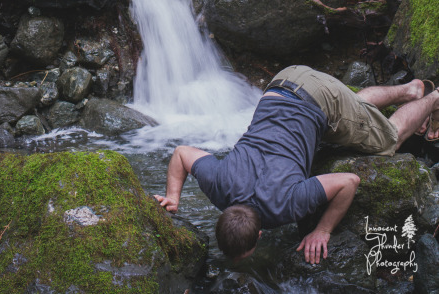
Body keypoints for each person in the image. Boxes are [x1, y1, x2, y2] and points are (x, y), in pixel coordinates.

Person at [155, 65, 439, 265]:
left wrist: (323, 230)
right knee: (352, 112)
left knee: (389, 139)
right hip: (282, 84)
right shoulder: (217, 184)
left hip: (319, 100)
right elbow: (181, 154)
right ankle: (411, 90)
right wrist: (173, 197)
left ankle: (433, 98)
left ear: (260, 234)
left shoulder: (285, 204)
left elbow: (348, 182)